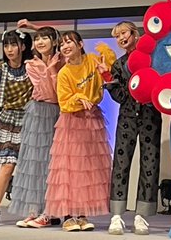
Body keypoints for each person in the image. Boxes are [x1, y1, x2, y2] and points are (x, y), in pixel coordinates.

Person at [44, 30, 115, 232]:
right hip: (72, 121)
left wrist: (106, 56)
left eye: (69, 42)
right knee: (70, 168)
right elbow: (64, 102)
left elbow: (108, 74)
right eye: (62, 44)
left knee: (88, 168)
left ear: (80, 44)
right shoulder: (64, 72)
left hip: (92, 119)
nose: (65, 47)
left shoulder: (92, 61)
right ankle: (68, 215)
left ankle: (82, 213)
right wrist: (77, 98)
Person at [106, 21, 162, 236]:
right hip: (127, 117)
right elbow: (120, 96)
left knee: (150, 162)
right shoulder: (118, 65)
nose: (121, 38)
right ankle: (117, 215)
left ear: (135, 34)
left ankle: (142, 215)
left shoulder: (153, 60)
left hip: (150, 115)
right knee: (121, 163)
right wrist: (108, 79)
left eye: (124, 33)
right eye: (117, 36)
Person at [9, 23, 64, 229]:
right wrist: (51, 68)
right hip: (38, 111)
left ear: (54, 41)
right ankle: (35, 209)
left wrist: (33, 26)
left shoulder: (62, 61)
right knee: (34, 162)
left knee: (52, 163)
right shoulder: (32, 64)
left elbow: (57, 92)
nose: (40, 41)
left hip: (57, 112)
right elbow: (46, 89)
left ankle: (50, 211)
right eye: (37, 38)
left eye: (45, 38)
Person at [0, 29, 34, 227]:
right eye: (7, 45)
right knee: (3, 165)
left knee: (29, 167)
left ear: (23, 46)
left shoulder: (31, 66)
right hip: (7, 120)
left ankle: (39, 210)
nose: (10, 49)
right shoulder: (1, 68)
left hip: (29, 119)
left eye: (14, 45)